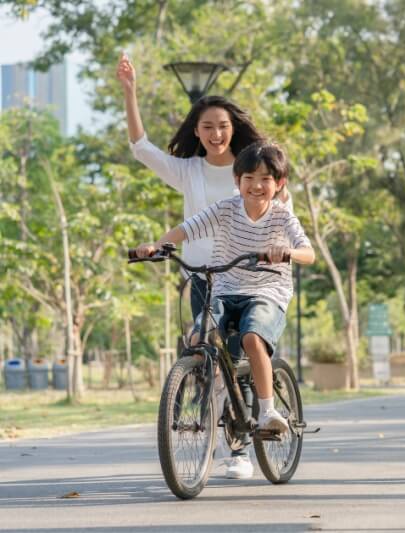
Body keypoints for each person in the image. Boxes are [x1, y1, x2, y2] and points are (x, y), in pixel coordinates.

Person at [117, 53, 291, 479]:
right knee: (203, 350)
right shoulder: (188, 171)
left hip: (250, 276)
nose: (216, 133)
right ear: (197, 131)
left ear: (234, 130)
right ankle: (208, 438)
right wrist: (130, 91)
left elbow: (281, 211)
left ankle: (240, 450)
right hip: (202, 278)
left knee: (238, 351)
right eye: (208, 126)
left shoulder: (253, 173)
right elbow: (141, 148)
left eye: (223, 126)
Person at [134, 140, 314, 436]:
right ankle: (220, 396)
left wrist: (288, 254)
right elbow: (188, 228)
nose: (256, 185)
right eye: (249, 178)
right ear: (237, 180)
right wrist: (158, 244)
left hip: (267, 291)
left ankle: (268, 411)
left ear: (279, 183)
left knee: (252, 338)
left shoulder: (283, 216)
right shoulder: (226, 208)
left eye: (266, 179)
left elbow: (309, 253)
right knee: (196, 337)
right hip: (226, 288)